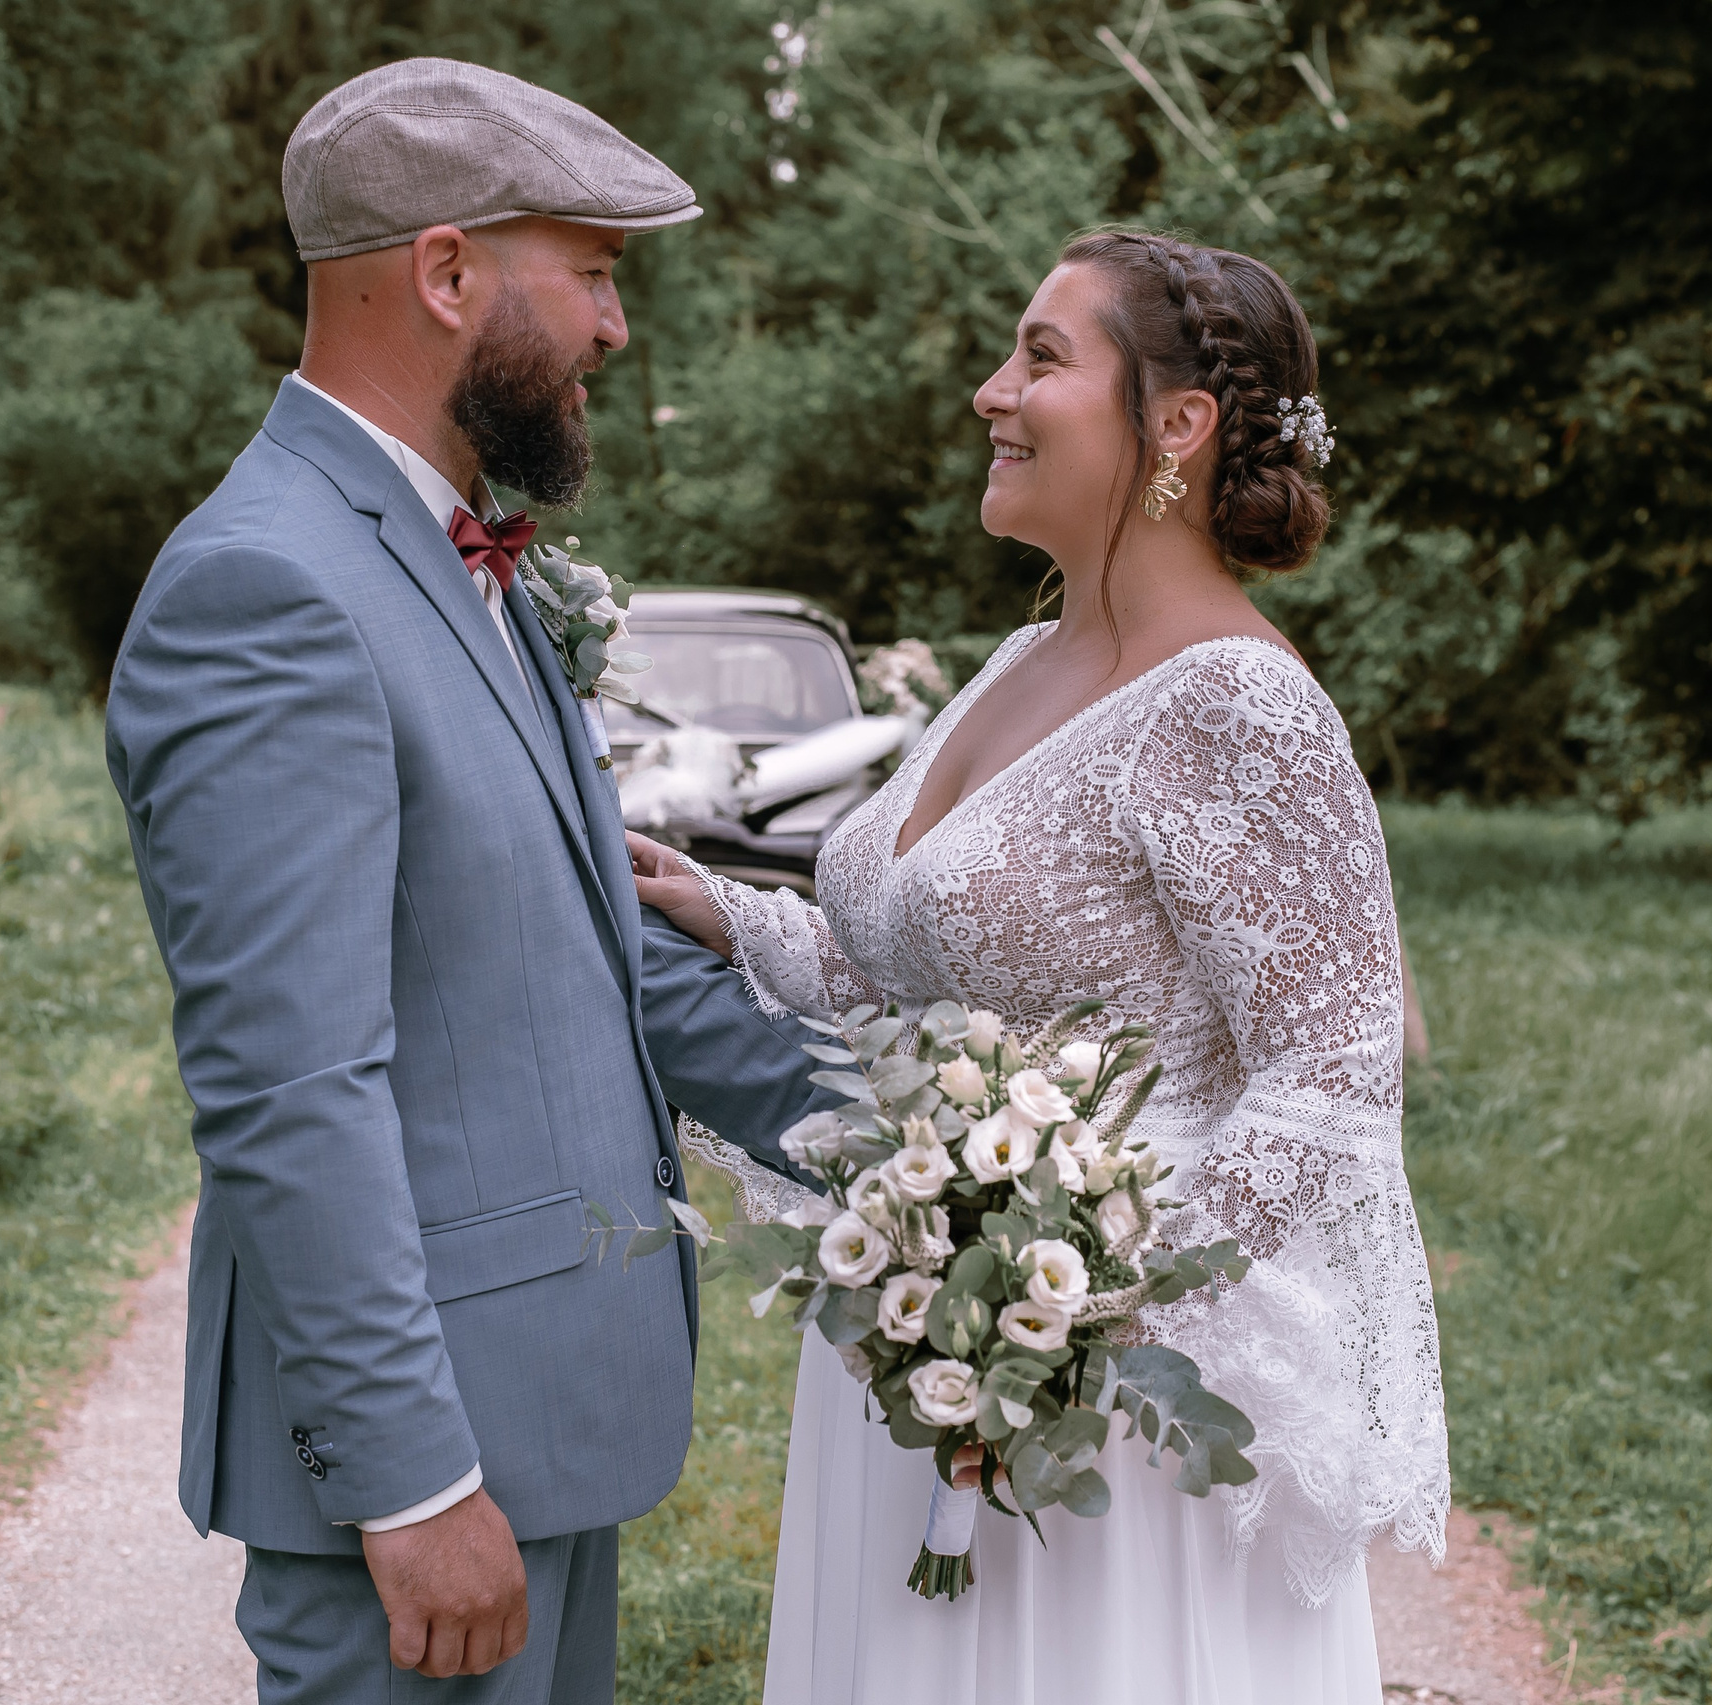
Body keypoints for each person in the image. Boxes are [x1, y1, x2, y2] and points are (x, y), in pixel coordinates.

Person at [632, 229, 1450, 1704]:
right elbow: (911, 970)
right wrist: (722, 911)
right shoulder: (1024, 657)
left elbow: (1331, 1083)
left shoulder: (1239, 702)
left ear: (1178, 424)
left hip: (1107, 1419)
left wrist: (1077, 1297)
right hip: (941, 1341)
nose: (988, 392)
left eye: (1041, 357)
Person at [105, 59, 831, 1705]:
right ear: (445, 274)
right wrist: (413, 1481)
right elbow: (290, 1087)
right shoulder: (264, 589)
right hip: (436, 1478)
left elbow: (596, 956)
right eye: (593, 274)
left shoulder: (448, 550)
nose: (613, 330)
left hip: (550, 1417)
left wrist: (915, 1153)